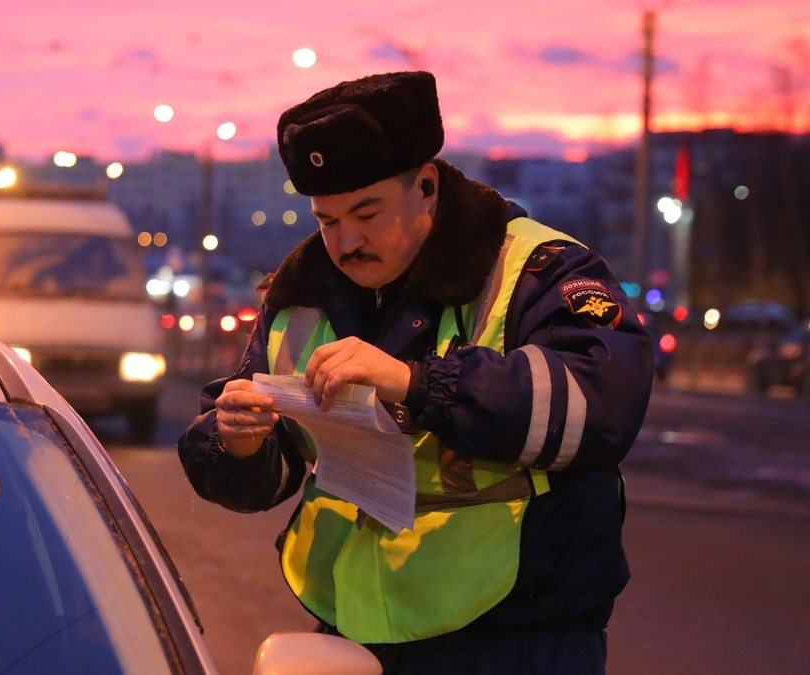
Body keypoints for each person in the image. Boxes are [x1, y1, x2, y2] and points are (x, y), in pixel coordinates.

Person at [177, 71, 653, 674]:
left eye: (367, 213)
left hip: (516, 637)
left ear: (426, 185)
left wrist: (419, 382)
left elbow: (603, 405)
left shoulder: (538, 268)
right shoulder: (302, 293)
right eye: (327, 221)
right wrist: (238, 444)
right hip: (351, 629)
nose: (346, 242)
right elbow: (267, 469)